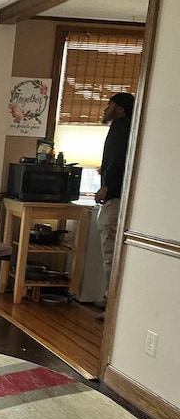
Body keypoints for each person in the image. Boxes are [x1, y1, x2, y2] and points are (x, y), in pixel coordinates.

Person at [94, 91, 134, 320]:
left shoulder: (120, 126)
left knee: (110, 249)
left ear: (120, 109)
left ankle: (111, 302)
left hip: (114, 198)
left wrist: (107, 185)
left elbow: (117, 159)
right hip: (118, 196)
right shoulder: (127, 127)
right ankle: (110, 297)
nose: (105, 108)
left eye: (109, 104)